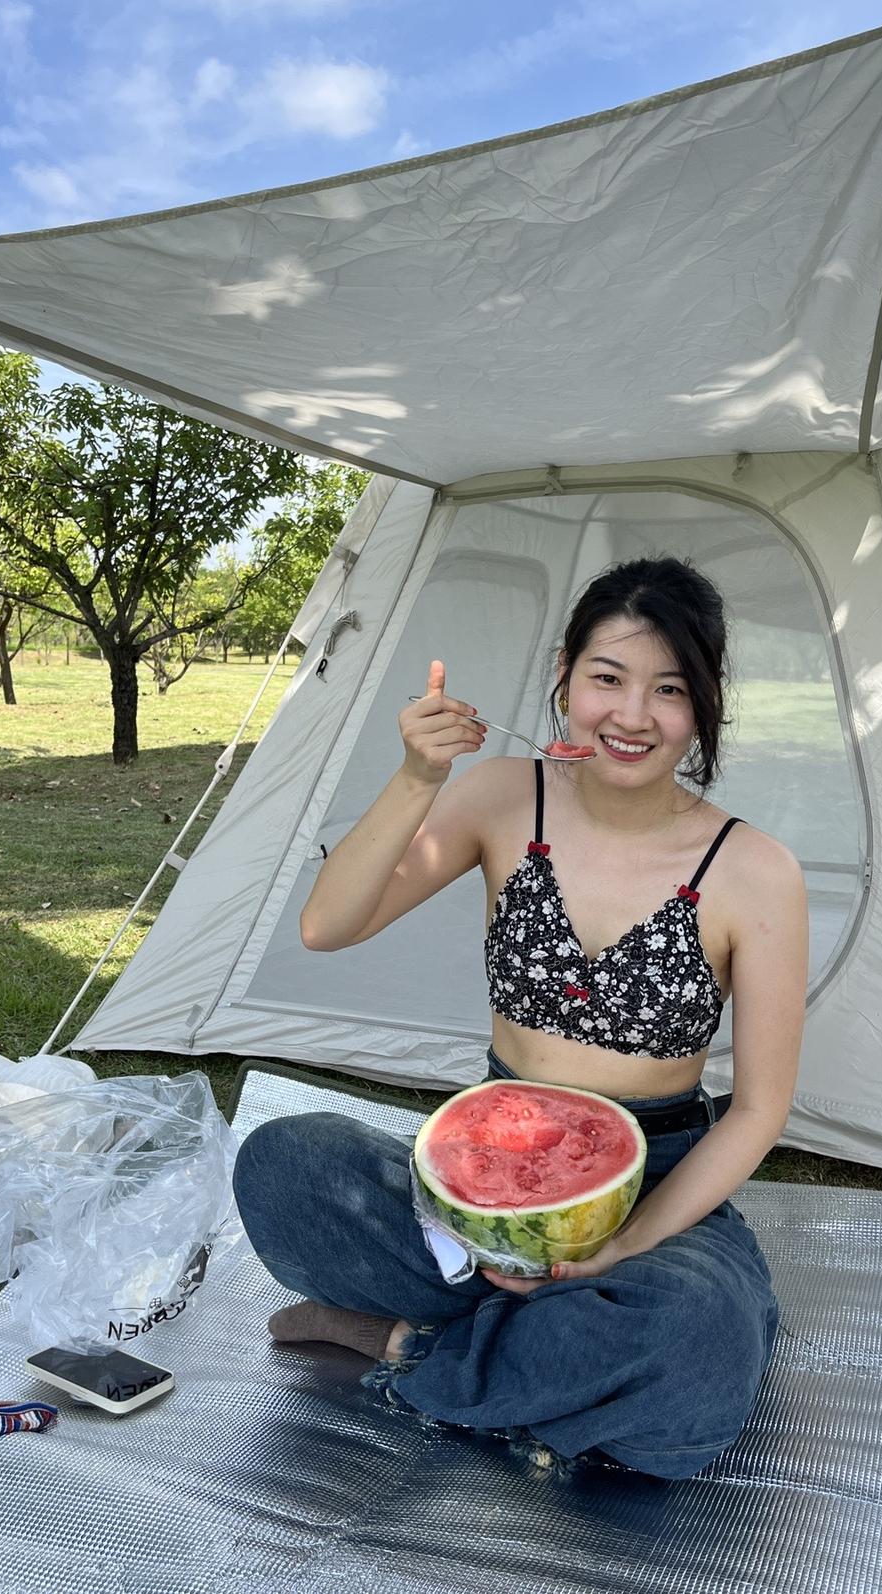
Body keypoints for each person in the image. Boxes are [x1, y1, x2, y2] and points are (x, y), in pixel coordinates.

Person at [233, 556, 809, 1479]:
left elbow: (759, 1110)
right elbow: (327, 924)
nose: (631, 715)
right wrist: (419, 777)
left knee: (699, 1340)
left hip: (649, 1179)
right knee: (284, 1163)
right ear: (566, 679)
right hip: (482, 1173)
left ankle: (405, 1348)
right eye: (607, 679)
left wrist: (624, 1242)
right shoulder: (504, 796)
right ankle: (539, 1362)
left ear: (703, 706)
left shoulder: (755, 871)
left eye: (668, 689)